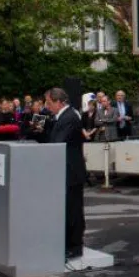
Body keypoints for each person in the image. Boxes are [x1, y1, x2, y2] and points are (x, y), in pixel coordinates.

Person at [37, 87, 85, 259]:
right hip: (63, 170)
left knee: (73, 209)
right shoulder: (60, 117)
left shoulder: (70, 117)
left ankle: (75, 246)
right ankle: (65, 243)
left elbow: (58, 142)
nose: (47, 106)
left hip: (71, 171)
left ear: (59, 102)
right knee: (66, 209)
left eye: (49, 103)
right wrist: (39, 130)